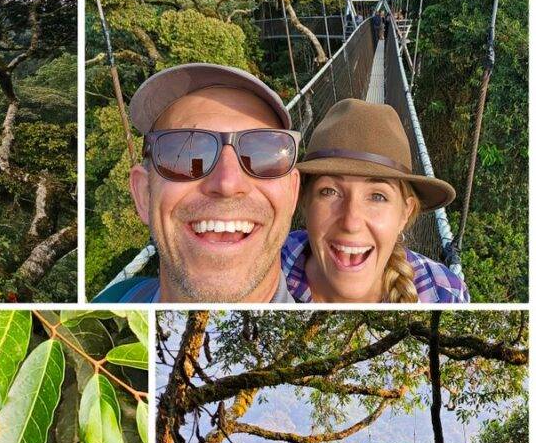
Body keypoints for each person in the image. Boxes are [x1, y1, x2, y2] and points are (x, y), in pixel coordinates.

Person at [95, 64, 301, 303]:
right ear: (144, 195)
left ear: (293, 193)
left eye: (262, 155)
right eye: (188, 157)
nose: (227, 184)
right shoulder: (113, 301)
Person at [282, 98, 469, 303]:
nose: (351, 223)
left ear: (405, 213)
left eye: (377, 196)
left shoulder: (444, 293)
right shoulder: (266, 263)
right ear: (303, 200)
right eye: (329, 192)